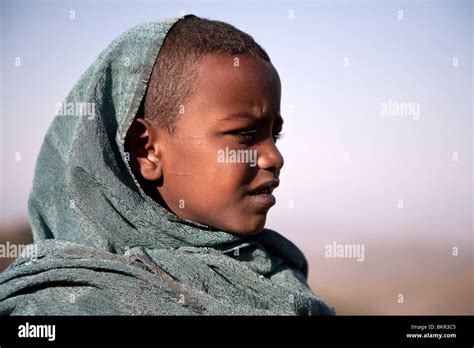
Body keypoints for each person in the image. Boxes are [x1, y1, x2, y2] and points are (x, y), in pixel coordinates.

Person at [0, 15, 334, 315]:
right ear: (148, 151)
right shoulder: (61, 306)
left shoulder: (278, 276)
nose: (274, 158)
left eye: (275, 135)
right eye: (244, 134)